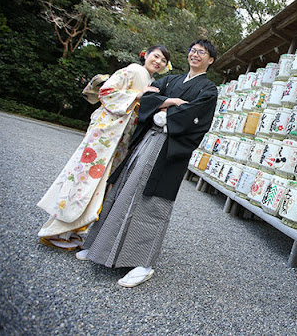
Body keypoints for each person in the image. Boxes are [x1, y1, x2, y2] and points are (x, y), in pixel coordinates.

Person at [76, 39, 218, 288]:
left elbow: (197, 117)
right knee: (123, 190)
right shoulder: (171, 80)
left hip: (168, 146)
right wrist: (171, 103)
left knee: (151, 203)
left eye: (201, 52)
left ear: (211, 60)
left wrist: (166, 116)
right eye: (192, 50)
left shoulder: (208, 89)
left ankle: (143, 263)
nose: (195, 55)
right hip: (146, 139)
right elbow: (149, 96)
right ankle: (99, 246)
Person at [37, 46, 171, 249]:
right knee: (85, 175)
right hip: (107, 130)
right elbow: (106, 91)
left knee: (100, 181)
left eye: (163, 60)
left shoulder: (152, 82)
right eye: (156, 56)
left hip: (121, 135)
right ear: (146, 56)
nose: (159, 62)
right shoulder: (134, 70)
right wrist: (137, 96)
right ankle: (55, 229)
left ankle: (75, 229)